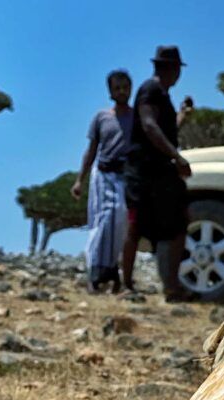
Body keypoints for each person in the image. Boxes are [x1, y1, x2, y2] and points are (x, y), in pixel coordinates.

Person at [124, 45, 194, 300]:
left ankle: (172, 287)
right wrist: (177, 157)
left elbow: (161, 128)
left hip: (159, 174)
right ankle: (127, 285)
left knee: (175, 224)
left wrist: (181, 117)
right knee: (136, 227)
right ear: (172, 69)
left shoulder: (161, 94)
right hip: (144, 173)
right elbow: (149, 126)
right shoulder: (150, 90)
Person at [72, 70, 133, 293]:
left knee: (120, 223)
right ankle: (95, 271)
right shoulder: (101, 117)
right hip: (103, 173)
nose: (122, 92)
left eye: (125, 87)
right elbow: (91, 150)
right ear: (110, 92)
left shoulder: (136, 118)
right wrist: (80, 180)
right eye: (117, 88)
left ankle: (111, 271)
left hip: (124, 176)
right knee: (104, 220)